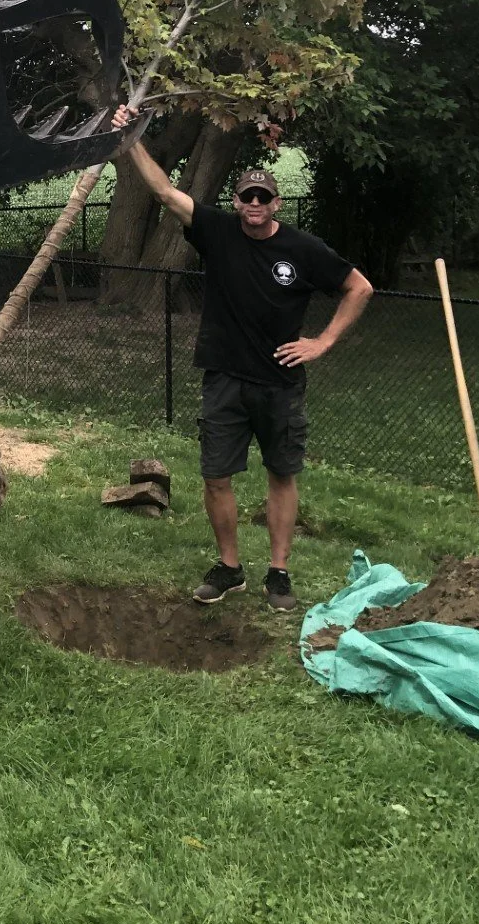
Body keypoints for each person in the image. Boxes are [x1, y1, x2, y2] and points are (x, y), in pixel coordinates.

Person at [113, 110, 373, 611]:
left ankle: (278, 573)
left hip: (280, 383)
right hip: (224, 379)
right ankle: (230, 568)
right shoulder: (217, 230)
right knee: (216, 476)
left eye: (264, 197)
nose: (254, 204)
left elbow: (359, 288)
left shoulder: (303, 247)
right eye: (246, 196)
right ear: (236, 202)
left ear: (276, 202)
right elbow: (165, 192)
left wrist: (322, 342)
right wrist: (130, 138)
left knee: (281, 474)